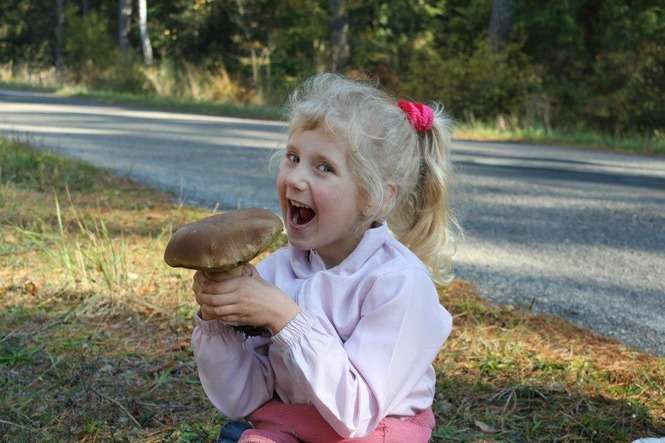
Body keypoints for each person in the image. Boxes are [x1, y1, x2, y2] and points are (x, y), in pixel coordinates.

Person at [191, 73, 458, 443]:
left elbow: (358, 413)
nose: (295, 179)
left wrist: (284, 317)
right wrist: (217, 322)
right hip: (289, 424)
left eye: (324, 167)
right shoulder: (275, 272)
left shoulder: (399, 282)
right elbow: (241, 399)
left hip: (376, 432)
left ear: (375, 198)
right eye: (293, 157)